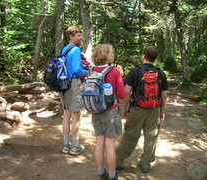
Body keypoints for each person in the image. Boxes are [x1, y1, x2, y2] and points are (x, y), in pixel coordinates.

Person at [116, 46, 168, 173]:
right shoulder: (160, 73)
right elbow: (164, 95)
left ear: (144, 56)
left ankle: (117, 161)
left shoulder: (134, 71)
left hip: (137, 108)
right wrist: (162, 111)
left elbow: (127, 92)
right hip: (154, 109)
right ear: (154, 59)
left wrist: (125, 108)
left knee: (130, 136)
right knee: (151, 137)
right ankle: (145, 164)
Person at [91, 44, 125, 180]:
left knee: (99, 143)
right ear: (105, 55)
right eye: (112, 52)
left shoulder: (91, 71)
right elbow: (122, 94)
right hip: (110, 111)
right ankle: (112, 175)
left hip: (95, 111)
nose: (113, 54)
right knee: (110, 145)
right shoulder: (114, 71)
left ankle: (101, 173)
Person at [59, 26, 88, 155]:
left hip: (63, 84)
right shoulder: (75, 49)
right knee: (76, 116)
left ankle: (66, 146)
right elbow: (77, 69)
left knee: (66, 115)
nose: (80, 38)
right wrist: (87, 72)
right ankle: (75, 147)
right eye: (78, 35)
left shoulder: (64, 50)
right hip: (74, 83)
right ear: (71, 36)